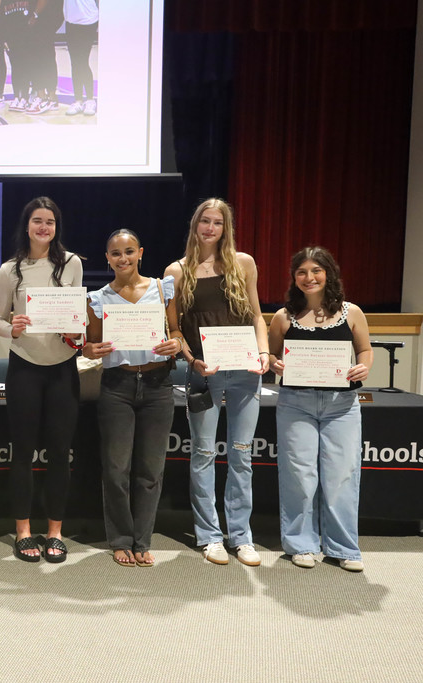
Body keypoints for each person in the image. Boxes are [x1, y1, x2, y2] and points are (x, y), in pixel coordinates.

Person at [164, 198, 269, 566]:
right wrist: (192, 359)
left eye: (218, 223)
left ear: (226, 228)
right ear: (195, 225)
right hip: (202, 373)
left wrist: (264, 353)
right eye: (204, 221)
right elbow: (174, 329)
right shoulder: (176, 271)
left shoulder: (244, 264)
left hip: (245, 373)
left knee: (241, 454)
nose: (210, 228)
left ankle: (241, 536)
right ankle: (209, 536)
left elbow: (257, 315)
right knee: (204, 454)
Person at [268, 247, 372, 572]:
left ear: (329, 273)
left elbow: (365, 350)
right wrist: (276, 363)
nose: (309, 278)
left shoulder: (351, 312)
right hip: (295, 403)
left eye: (316, 270)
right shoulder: (283, 317)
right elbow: (270, 357)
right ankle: (302, 543)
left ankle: (343, 547)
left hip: (341, 405)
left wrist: (363, 368)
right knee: (299, 474)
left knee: (341, 474)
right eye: (302, 272)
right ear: (294, 278)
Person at [0, 197, 84, 563]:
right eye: (37, 221)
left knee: (60, 453)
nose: (44, 227)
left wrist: (75, 331)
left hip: (63, 367)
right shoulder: (9, 270)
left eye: (50, 221)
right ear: (26, 226)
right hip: (25, 367)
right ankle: (24, 531)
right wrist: (9, 327)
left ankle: (55, 532)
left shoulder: (72, 263)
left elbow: (78, 318)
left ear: (56, 226)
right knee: (23, 452)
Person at [83, 230, 181, 568]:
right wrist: (91, 349)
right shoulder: (97, 298)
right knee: (116, 468)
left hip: (158, 385)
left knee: (151, 470)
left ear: (140, 252)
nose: (123, 258)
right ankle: (121, 539)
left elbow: (176, 331)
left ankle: (143, 540)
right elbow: (90, 344)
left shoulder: (162, 287)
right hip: (117, 386)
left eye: (128, 251)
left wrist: (176, 344)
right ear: (107, 258)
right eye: (115, 253)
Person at [63, 0, 97, 116]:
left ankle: (90, 100)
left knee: (82, 61)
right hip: (71, 20)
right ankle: (78, 100)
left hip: (87, 20)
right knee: (75, 62)